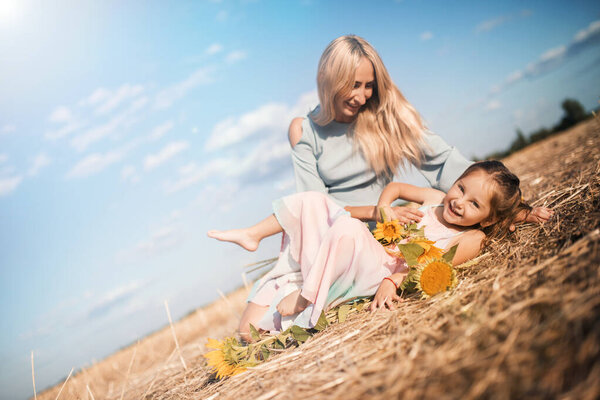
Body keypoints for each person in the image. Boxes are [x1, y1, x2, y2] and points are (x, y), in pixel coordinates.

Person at [208, 161, 547, 341]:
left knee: (343, 227)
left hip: (379, 271)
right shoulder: (434, 199)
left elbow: (433, 263)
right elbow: (397, 187)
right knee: (313, 201)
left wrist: (395, 280)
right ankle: (253, 234)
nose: (458, 201)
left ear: (488, 219)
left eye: (474, 204)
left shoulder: (473, 237)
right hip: (367, 250)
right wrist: (385, 209)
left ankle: (304, 298)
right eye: (460, 188)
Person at [288, 35, 549, 227]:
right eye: (353, 84)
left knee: (473, 236)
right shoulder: (303, 130)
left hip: (389, 226)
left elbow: (443, 162)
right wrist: (376, 212)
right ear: (329, 80)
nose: (362, 96)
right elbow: (315, 206)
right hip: (341, 232)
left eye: (368, 85)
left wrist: (508, 209)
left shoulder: (382, 115)